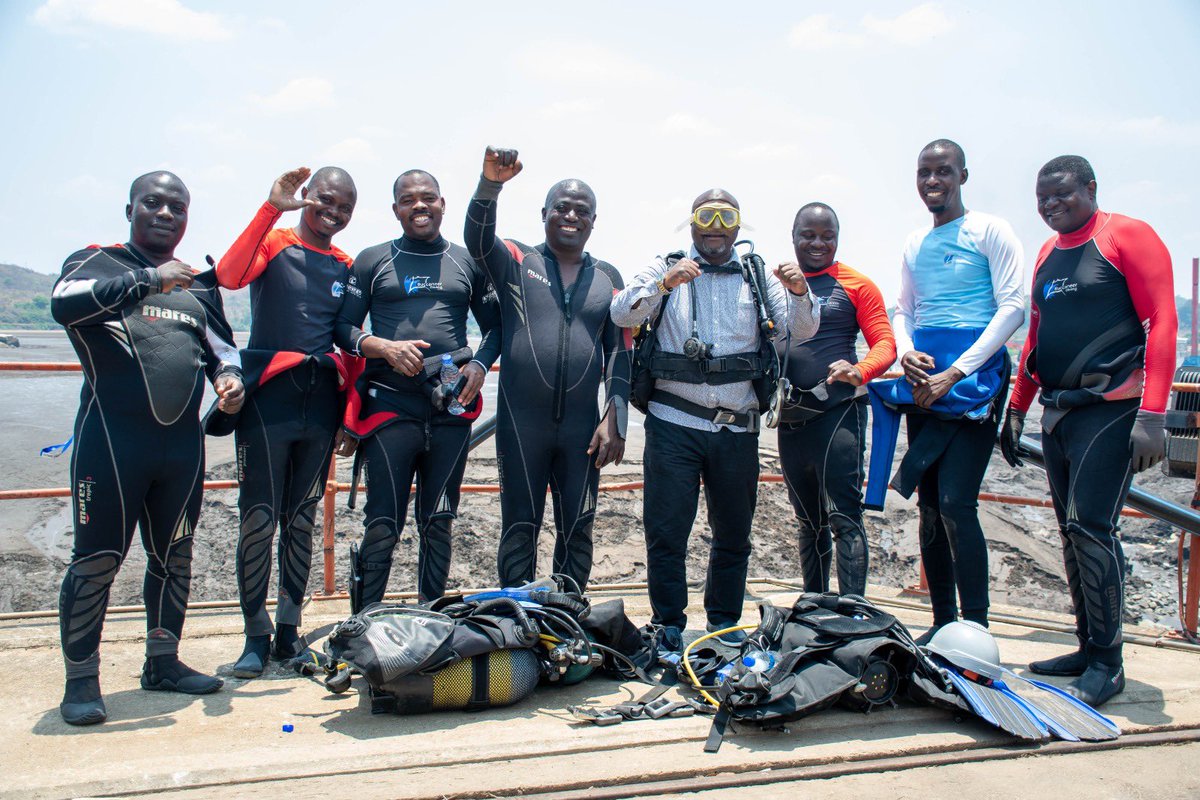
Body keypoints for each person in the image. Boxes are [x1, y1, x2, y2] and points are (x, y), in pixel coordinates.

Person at [51, 171, 244, 725]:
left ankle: (163, 663)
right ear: (130, 208)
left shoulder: (197, 286)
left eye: (176, 207)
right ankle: (82, 680)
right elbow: (64, 306)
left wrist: (231, 383)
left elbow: (223, 350)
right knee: (97, 560)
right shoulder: (97, 264)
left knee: (174, 555)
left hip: (179, 450)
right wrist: (149, 279)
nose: (165, 214)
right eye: (152, 203)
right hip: (112, 443)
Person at [610, 189, 820, 653]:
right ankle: (667, 624)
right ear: (691, 223)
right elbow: (620, 310)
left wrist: (801, 292)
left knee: (733, 534)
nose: (716, 226)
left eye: (727, 217)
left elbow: (801, 330)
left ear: (739, 226)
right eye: (707, 216)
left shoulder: (755, 272)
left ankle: (723, 625)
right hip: (673, 422)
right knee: (666, 533)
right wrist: (665, 284)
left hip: (735, 428)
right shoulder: (666, 263)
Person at [1001, 155, 1176, 706]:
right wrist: (1016, 408)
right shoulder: (1050, 254)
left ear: (1091, 188)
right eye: (1042, 198)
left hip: (1113, 409)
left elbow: (1163, 320)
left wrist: (1153, 415)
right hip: (1058, 412)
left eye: (1062, 194)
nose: (1051, 205)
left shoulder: (1126, 235)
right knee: (1070, 531)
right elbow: (1036, 338)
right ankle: (1086, 644)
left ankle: (1108, 663)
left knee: (1091, 527)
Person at [464, 146, 629, 591]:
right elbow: (478, 242)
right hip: (523, 425)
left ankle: (568, 616)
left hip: (582, 429)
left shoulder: (609, 277)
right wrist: (490, 186)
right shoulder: (518, 260)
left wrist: (616, 418)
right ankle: (517, 621)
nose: (571, 215)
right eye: (562, 207)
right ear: (544, 214)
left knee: (578, 527)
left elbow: (618, 352)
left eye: (582, 210)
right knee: (520, 525)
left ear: (594, 221)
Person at [334, 169, 501, 606]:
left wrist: (481, 365)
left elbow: (495, 328)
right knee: (383, 523)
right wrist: (383, 348)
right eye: (408, 200)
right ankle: (365, 619)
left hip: (449, 408)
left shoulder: (467, 261)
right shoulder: (373, 260)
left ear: (443, 203)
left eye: (428, 198)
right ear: (396, 210)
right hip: (389, 408)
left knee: (439, 519)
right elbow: (343, 327)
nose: (419, 206)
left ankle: (432, 616)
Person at [215, 166, 357, 678]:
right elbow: (230, 276)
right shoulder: (275, 242)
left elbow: (351, 343)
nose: (333, 212)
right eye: (325, 200)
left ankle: (289, 633)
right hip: (268, 401)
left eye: (344, 207)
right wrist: (272, 204)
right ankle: (255, 638)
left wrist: (349, 417)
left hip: (320, 404)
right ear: (307, 197)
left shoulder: (345, 265)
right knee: (257, 520)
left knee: (300, 521)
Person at [887, 139, 1024, 642]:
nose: (932, 181)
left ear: (962, 175)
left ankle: (977, 628)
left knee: (955, 504)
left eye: (943, 171)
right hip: (925, 377)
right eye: (924, 172)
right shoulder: (914, 243)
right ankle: (944, 624)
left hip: (974, 380)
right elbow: (904, 308)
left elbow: (1012, 309)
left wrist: (958, 372)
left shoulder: (991, 230)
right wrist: (906, 353)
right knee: (927, 506)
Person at [776, 203, 895, 596]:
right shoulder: (776, 287)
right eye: (808, 234)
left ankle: (852, 612)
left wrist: (861, 370)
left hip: (838, 412)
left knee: (844, 516)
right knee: (808, 521)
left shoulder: (856, 284)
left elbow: (885, 343)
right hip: (792, 420)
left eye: (827, 236)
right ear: (793, 237)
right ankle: (814, 604)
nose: (817, 243)